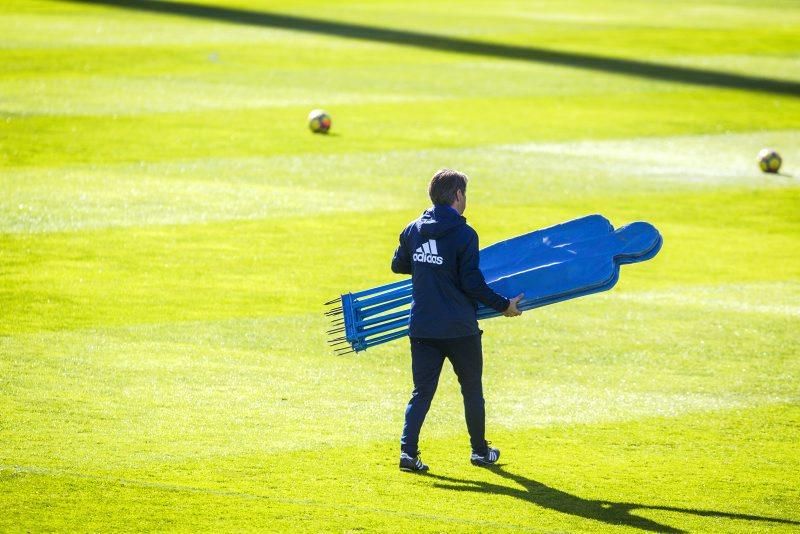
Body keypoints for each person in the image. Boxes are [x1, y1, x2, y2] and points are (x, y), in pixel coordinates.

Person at [391, 168, 523, 472]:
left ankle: (407, 454)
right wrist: (504, 305)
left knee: (421, 392)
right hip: (459, 328)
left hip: (422, 325)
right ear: (458, 195)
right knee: (471, 389)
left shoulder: (413, 229)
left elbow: (398, 265)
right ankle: (479, 452)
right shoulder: (464, 234)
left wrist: (430, 267)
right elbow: (472, 284)